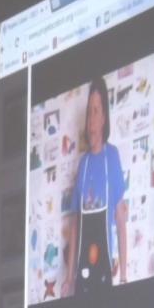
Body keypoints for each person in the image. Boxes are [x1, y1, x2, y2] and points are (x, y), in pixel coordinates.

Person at [62, 76, 127, 296]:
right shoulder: (82, 165)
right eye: (89, 112)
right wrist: (68, 278)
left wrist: (124, 278)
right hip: (82, 277)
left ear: (103, 119)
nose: (91, 120)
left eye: (96, 111)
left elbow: (120, 219)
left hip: (104, 273)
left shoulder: (112, 157)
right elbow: (74, 226)